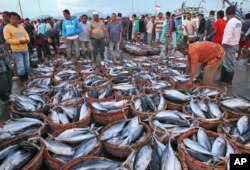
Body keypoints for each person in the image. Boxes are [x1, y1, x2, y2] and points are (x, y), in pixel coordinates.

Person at [4, 12, 30, 81]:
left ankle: (27, 79)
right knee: (21, 66)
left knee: (27, 65)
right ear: (9, 19)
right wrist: (19, 41)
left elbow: (26, 35)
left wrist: (27, 39)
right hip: (16, 51)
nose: (15, 20)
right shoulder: (7, 28)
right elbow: (8, 40)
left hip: (25, 49)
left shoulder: (21, 26)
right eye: (13, 18)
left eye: (16, 18)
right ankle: (23, 81)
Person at [220, 6, 242, 86]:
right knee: (227, 62)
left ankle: (228, 81)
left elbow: (228, 36)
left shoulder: (230, 22)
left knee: (228, 63)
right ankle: (223, 80)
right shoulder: (238, 22)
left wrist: (222, 46)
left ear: (226, 13)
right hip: (235, 44)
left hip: (229, 45)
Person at [0, 32, 12, 102]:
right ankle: (4, 99)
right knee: (3, 82)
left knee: (9, 79)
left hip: (6, 62)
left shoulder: (1, 36)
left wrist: (9, 52)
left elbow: (5, 44)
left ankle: (8, 95)